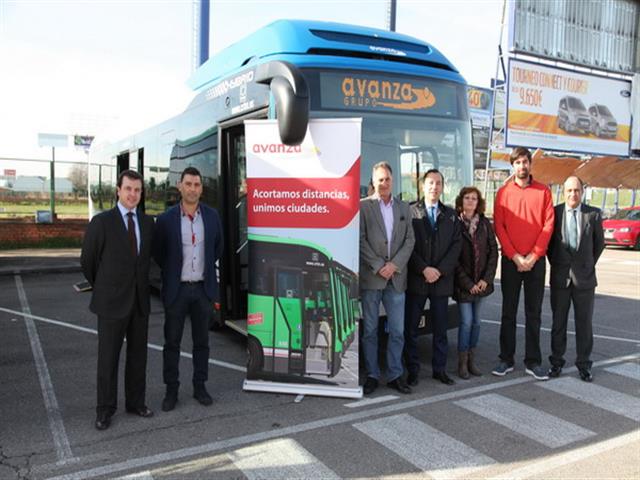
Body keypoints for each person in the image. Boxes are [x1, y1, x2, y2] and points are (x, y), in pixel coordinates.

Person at [81, 169, 155, 430]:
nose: (133, 194)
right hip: (111, 303)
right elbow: (88, 262)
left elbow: (147, 262)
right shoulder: (102, 222)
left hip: (139, 303)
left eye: (137, 190)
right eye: (128, 189)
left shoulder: (147, 223)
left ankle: (135, 403)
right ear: (118, 190)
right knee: (108, 358)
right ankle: (104, 410)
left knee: (138, 357)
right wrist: (104, 287)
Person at [153, 167, 223, 411]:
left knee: (201, 343)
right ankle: (171, 391)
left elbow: (217, 248)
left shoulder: (212, 217)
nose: (193, 189)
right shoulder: (165, 219)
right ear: (180, 187)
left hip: (203, 290)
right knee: (172, 343)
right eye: (188, 184)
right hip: (177, 291)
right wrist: (174, 273)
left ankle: (200, 386)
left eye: (197, 184)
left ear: (201, 189)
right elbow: (160, 253)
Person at [492, 147, 554, 380]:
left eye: (524, 162)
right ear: (513, 166)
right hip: (511, 261)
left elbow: (548, 225)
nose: (521, 166)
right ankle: (505, 359)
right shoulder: (503, 193)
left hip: (536, 262)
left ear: (530, 164)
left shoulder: (543, 192)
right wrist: (516, 256)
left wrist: (534, 256)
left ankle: (533, 361)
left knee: (533, 313)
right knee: (508, 312)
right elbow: (500, 226)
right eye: (517, 162)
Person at [360, 162, 415, 395]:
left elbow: (409, 240)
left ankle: (394, 374)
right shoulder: (363, 207)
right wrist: (379, 265)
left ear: (393, 181)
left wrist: (394, 265)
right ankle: (372, 374)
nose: (384, 183)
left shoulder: (404, 208)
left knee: (397, 331)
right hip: (372, 278)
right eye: (380, 180)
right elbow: (359, 239)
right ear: (373, 182)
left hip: (396, 278)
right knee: (370, 330)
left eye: (388, 179)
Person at [404, 169, 462, 386]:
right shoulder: (411, 212)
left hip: (441, 281)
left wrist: (438, 270)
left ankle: (440, 369)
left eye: (438, 183)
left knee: (440, 329)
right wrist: (424, 269)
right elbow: (407, 245)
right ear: (422, 186)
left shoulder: (451, 215)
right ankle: (412, 370)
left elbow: (456, 247)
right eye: (430, 183)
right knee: (411, 329)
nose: (434, 187)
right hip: (417, 280)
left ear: (442, 187)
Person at [547, 176, 604, 382]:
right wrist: (559, 265)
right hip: (560, 279)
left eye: (577, 190)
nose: (573, 194)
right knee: (558, 323)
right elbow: (549, 247)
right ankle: (556, 362)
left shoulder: (593, 215)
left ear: (582, 192)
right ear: (564, 192)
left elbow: (599, 245)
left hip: (585, 280)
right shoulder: (554, 213)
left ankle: (584, 365)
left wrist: (586, 265)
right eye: (569, 190)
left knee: (584, 324)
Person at [453, 186, 498, 379]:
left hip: (482, 285)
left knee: (477, 322)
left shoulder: (485, 224)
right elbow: (453, 258)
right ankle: (462, 363)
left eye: (474, 198)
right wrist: (468, 283)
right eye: (467, 198)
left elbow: (493, 252)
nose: (471, 201)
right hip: (464, 286)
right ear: (461, 201)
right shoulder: (454, 223)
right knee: (466, 321)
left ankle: (472, 360)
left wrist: (485, 280)